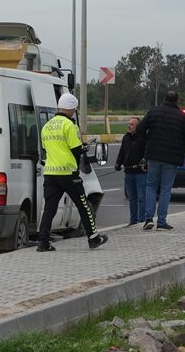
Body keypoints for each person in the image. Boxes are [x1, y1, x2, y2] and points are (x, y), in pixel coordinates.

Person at [36, 93, 108, 252]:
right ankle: (93, 238)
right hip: (68, 174)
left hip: (50, 173)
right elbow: (76, 150)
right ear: (71, 109)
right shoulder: (70, 126)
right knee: (83, 205)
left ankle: (43, 242)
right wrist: (84, 147)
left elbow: (47, 149)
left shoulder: (46, 126)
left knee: (49, 208)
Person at [137, 90, 185, 230]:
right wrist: (181, 150)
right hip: (172, 158)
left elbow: (139, 128)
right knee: (165, 188)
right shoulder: (181, 116)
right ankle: (162, 221)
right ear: (177, 101)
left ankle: (149, 218)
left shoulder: (154, 111)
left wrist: (148, 142)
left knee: (151, 186)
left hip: (154, 155)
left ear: (165, 99)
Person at [114, 117, 148, 226]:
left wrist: (144, 161)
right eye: (129, 124)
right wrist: (118, 163)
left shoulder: (144, 138)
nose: (129, 126)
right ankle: (133, 221)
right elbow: (122, 151)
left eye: (132, 124)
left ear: (138, 126)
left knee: (141, 198)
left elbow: (148, 153)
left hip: (140, 173)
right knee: (132, 198)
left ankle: (142, 220)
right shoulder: (126, 137)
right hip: (128, 172)